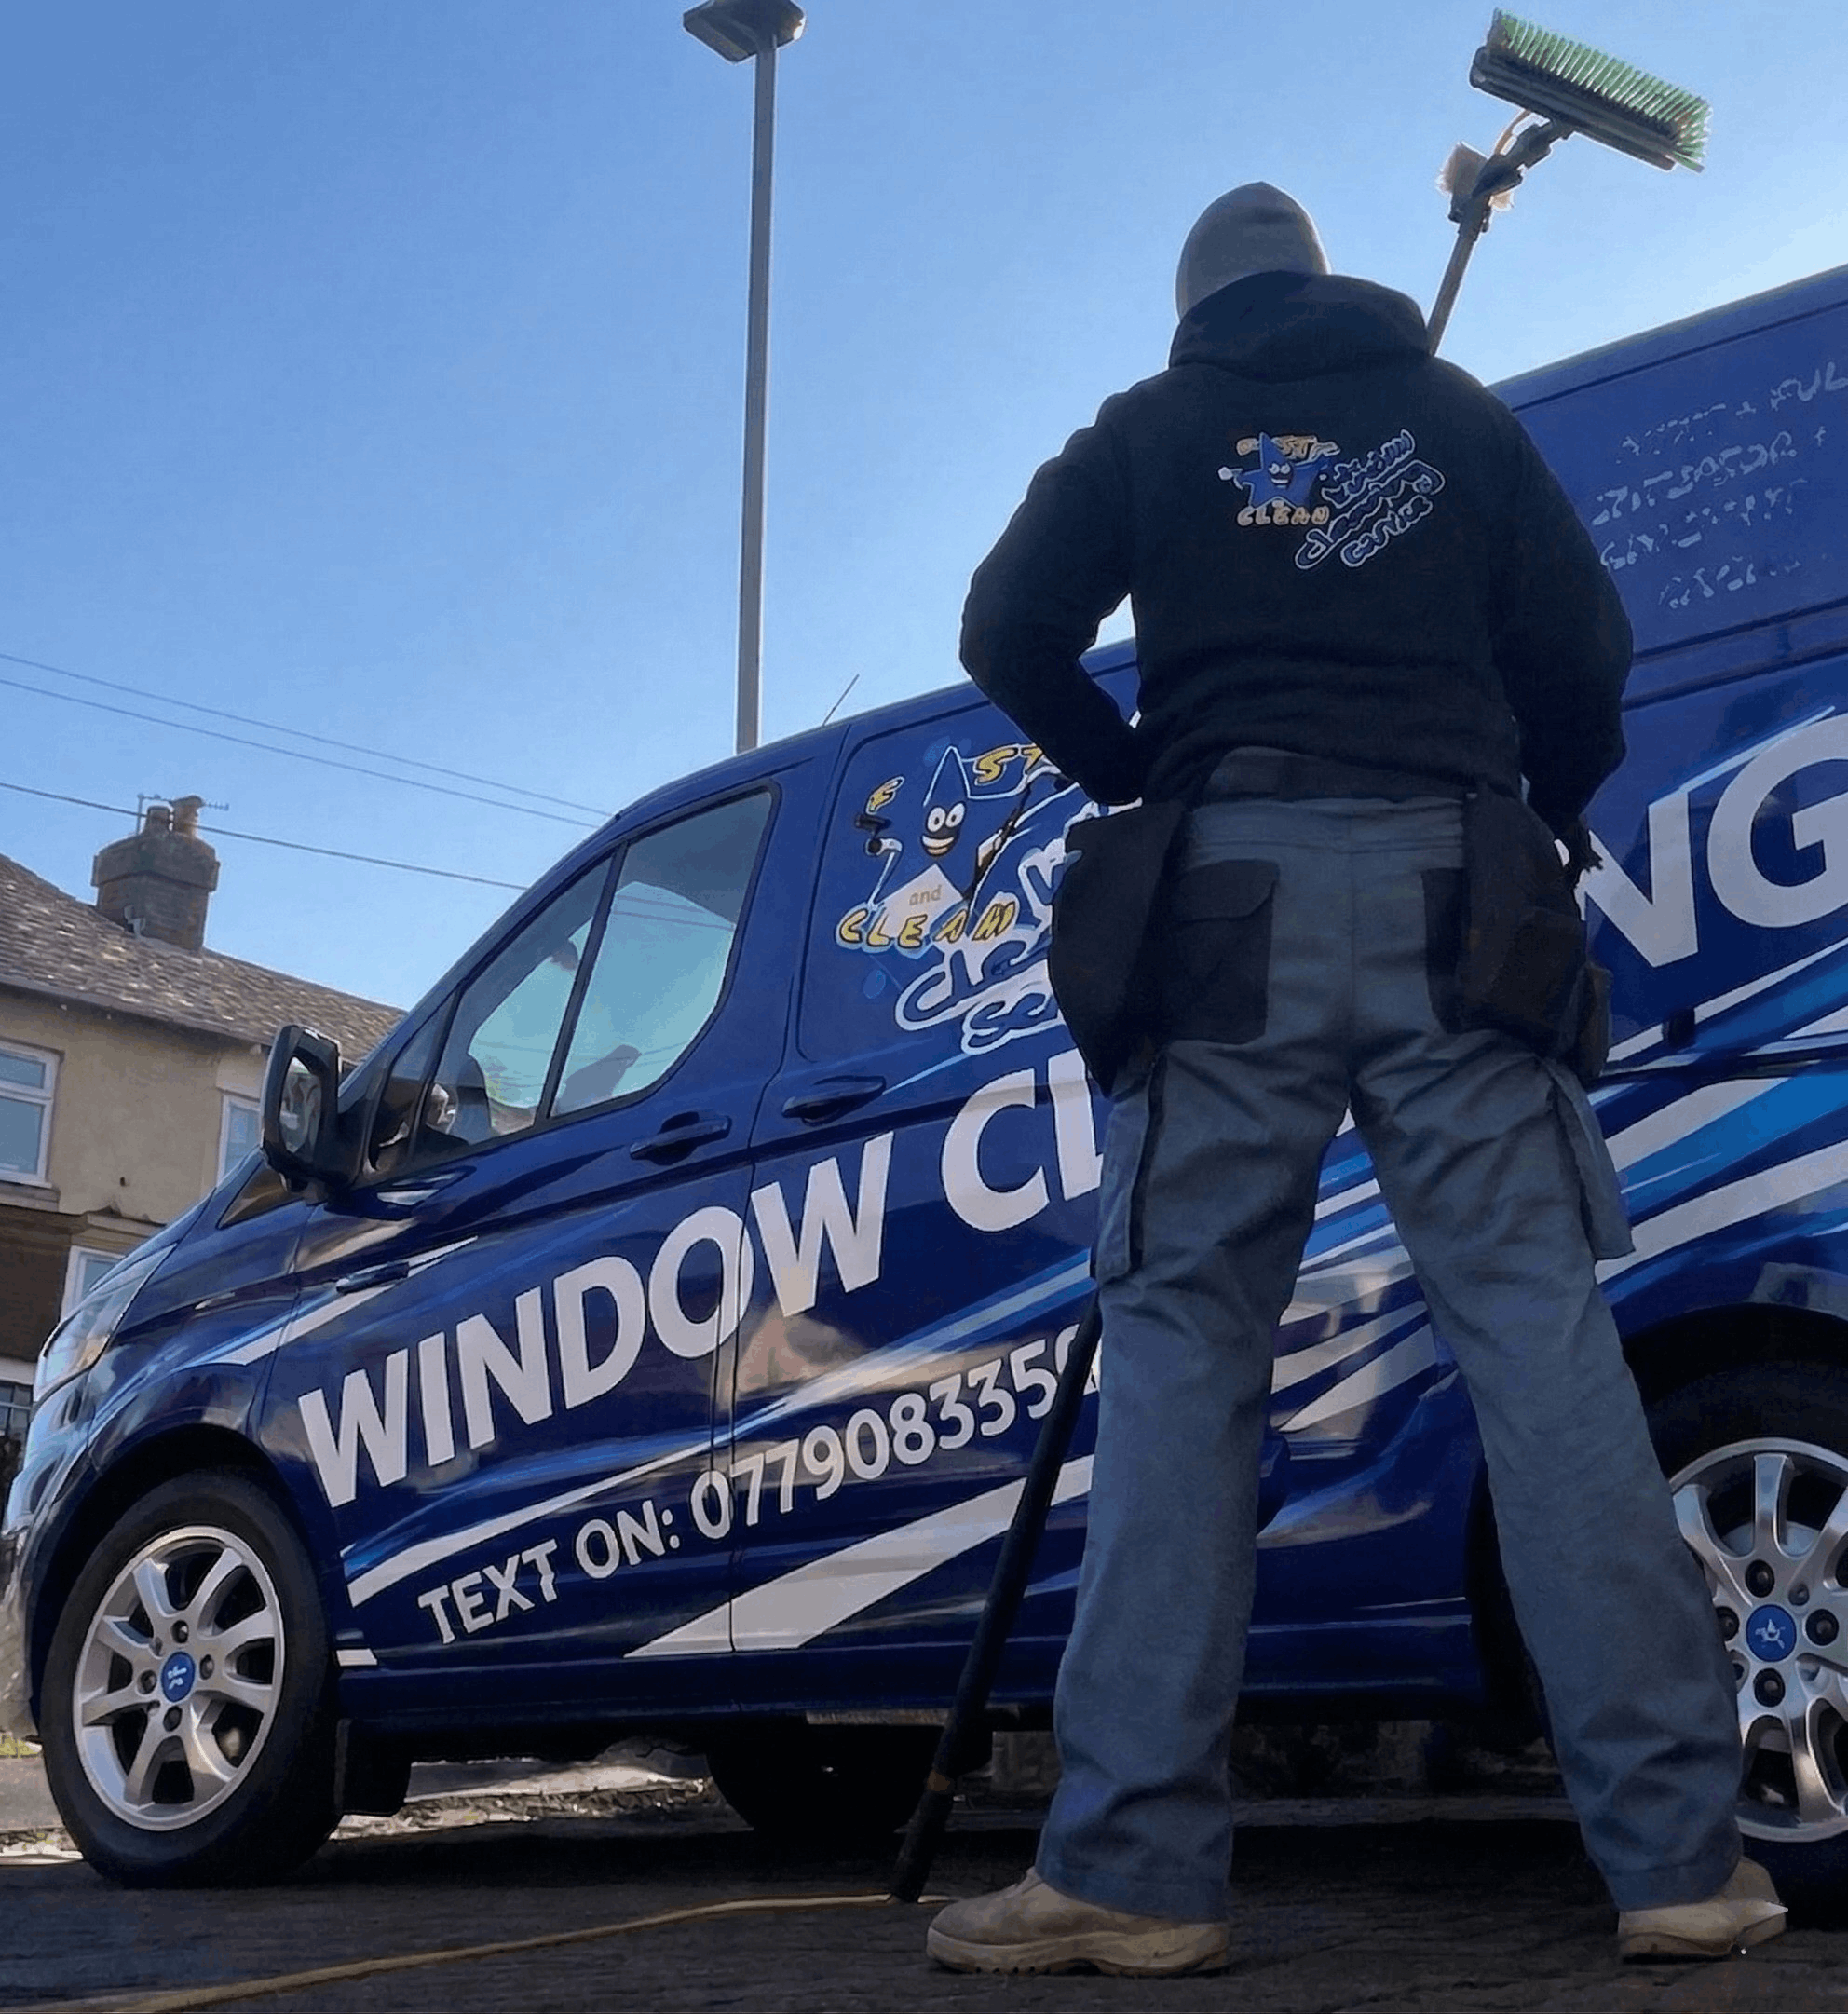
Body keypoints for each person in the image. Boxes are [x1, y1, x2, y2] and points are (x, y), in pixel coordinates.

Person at [926, 184, 1780, 1976]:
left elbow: (1004, 630)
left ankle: (1135, 1872)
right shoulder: (1453, 417)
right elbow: (1591, 656)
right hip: (1459, 894)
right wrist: (1534, 801)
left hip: (1224, 902)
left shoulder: (1150, 428)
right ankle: (1680, 1861)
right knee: (1545, 1353)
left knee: (1181, 1371)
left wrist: (1141, 773)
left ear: (1195, 310)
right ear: (1319, 284)